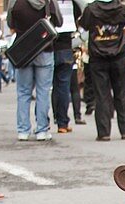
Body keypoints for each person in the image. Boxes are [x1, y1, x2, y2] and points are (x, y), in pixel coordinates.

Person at [78, 0, 125, 141]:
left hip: (98, 57)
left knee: (101, 95)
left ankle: (104, 132)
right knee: (122, 93)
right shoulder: (123, 10)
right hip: (119, 56)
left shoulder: (90, 10)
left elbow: (83, 27)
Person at [8, 0, 61, 141]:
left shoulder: (15, 2)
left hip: (23, 49)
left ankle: (23, 130)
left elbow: (10, 24)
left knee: (23, 92)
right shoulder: (49, 2)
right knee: (43, 91)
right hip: (44, 48)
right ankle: (42, 130)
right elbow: (59, 22)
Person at [51, 0, 80, 134]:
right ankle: (63, 123)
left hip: (49, 46)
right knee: (63, 87)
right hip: (66, 46)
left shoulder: (49, 3)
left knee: (47, 87)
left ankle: (48, 121)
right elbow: (79, 12)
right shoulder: (71, 3)